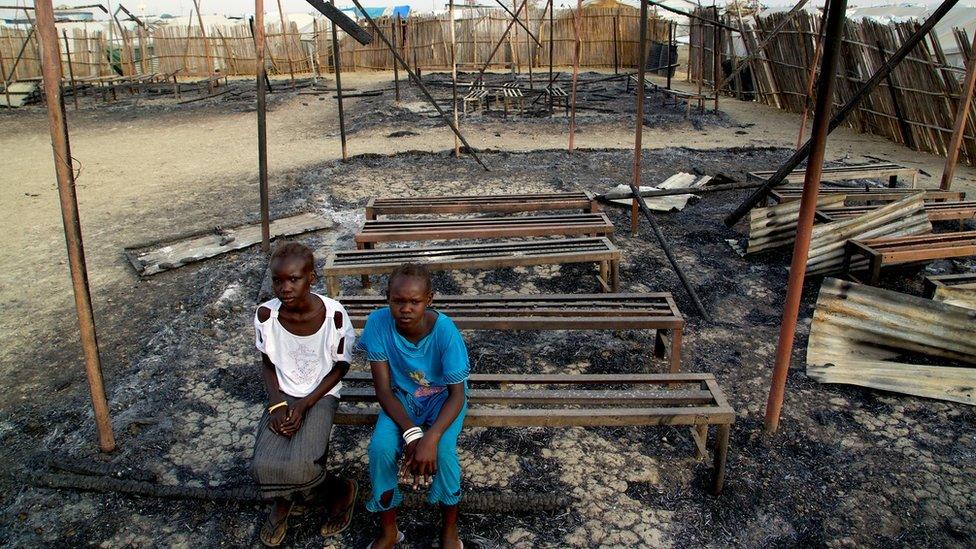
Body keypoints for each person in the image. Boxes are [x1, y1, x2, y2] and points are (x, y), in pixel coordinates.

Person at [251, 242, 358, 547]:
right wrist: (277, 404)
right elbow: (268, 362)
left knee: (301, 467)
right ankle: (284, 500)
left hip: (321, 394)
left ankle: (341, 490)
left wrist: (304, 405)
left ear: (311, 277)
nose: (284, 287)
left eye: (294, 279)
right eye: (277, 280)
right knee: (262, 467)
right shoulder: (265, 315)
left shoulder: (333, 316)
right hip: (283, 393)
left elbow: (340, 368)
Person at [357, 263, 469, 549]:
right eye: (398, 301)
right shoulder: (378, 324)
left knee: (442, 452)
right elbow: (383, 389)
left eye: (414, 302)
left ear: (429, 300)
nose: (405, 308)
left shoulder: (445, 332)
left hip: (443, 400)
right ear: (387, 298)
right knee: (380, 449)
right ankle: (389, 529)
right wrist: (412, 433)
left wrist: (429, 438)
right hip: (402, 399)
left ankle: (449, 530)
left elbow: (457, 395)